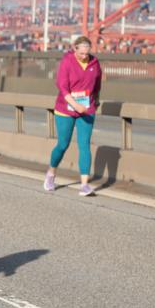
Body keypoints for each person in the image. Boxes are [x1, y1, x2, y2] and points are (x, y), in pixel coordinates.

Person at [44, 35, 102, 196]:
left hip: (86, 109)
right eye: (81, 53)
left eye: (87, 53)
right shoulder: (67, 62)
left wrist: (95, 100)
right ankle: (51, 173)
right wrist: (75, 105)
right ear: (74, 49)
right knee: (63, 144)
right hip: (66, 109)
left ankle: (84, 185)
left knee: (84, 145)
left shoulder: (94, 63)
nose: (85, 56)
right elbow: (62, 87)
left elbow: (97, 85)